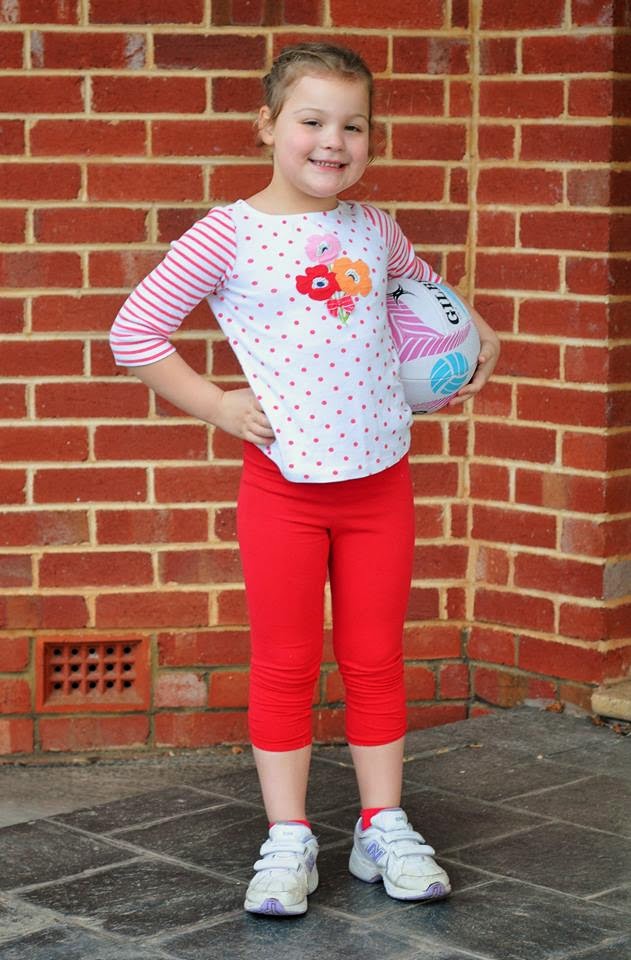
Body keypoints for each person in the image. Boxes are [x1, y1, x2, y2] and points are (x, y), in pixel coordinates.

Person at [109, 42, 500, 918]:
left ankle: (380, 824)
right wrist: (215, 404)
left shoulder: (375, 228)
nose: (333, 141)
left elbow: (426, 289)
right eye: (312, 121)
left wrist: (477, 334)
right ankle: (287, 836)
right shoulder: (228, 234)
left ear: (369, 138)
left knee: (375, 659)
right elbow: (134, 333)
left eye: (353, 126)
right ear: (267, 125)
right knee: (286, 663)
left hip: (380, 483)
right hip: (282, 490)